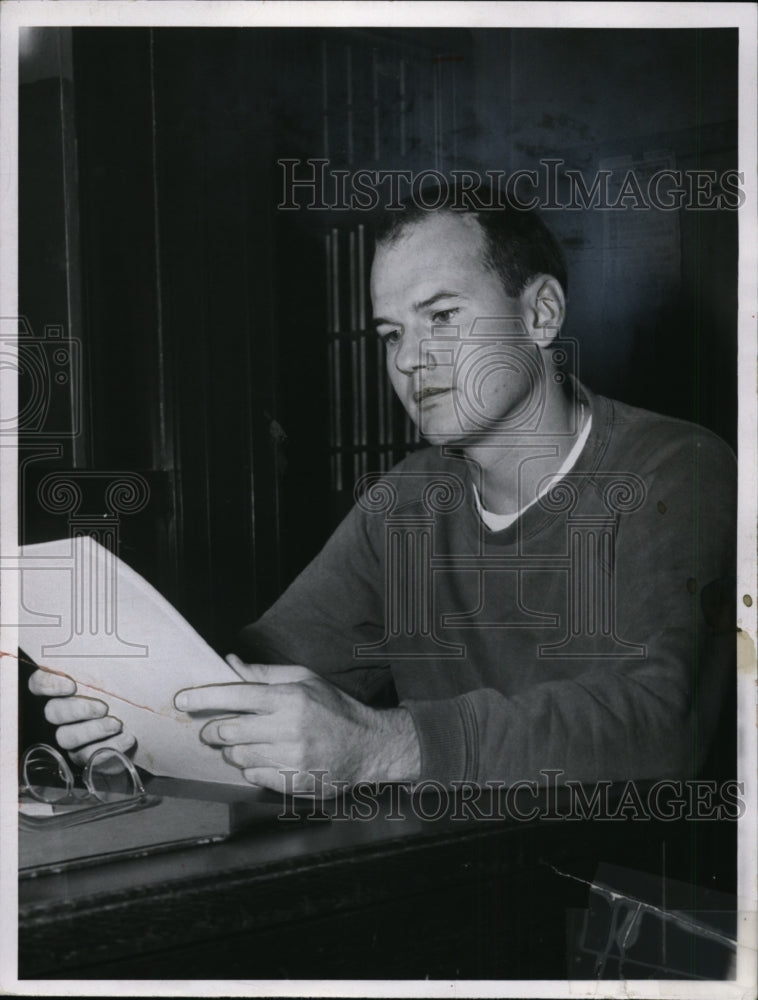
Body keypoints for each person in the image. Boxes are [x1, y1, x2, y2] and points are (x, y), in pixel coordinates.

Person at [29, 186, 737, 795]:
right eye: (391, 332)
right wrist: (144, 714)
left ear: (541, 313)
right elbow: (267, 666)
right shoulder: (402, 505)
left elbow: (660, 723)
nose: (408, 360)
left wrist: (385, 745)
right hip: (459, 890)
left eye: (442, 317)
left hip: (633, 898)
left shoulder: (676, 469)